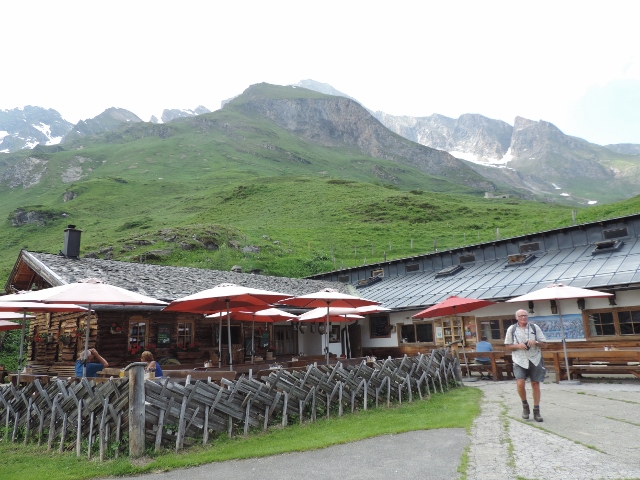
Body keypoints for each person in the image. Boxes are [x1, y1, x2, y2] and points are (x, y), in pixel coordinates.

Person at [504, 309, 547, 422]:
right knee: (520, 383)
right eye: (521, 316)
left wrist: (535, 342)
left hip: (534, 358)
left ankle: (536, 410)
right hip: (519, 359)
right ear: (516, 318)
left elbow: (544, 344)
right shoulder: (512, 329)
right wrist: (518, 346)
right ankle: (525, 406)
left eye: (525, 315)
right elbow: (507, 346)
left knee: (535, 384)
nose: (523, 317)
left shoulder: (534, 327)